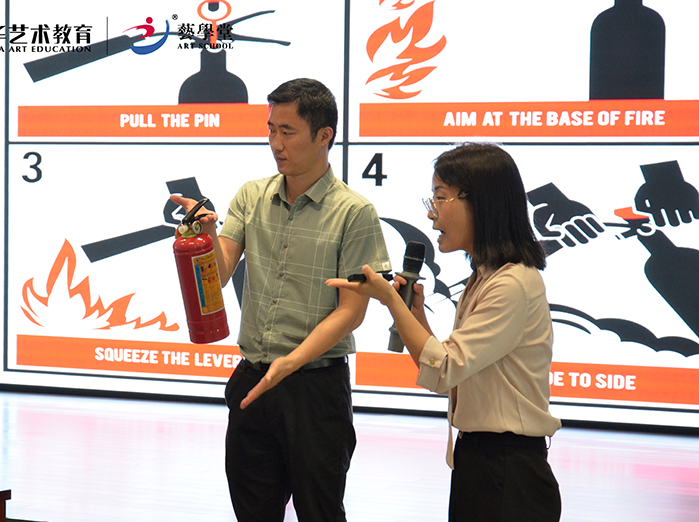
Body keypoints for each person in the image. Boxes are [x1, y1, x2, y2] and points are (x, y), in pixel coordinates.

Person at [170, 78, 391, 522]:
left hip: (314, 390)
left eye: (287, 132)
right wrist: (206, 236)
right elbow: (220, 274)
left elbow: (351, 313)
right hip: (253, 382)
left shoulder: (355, 212)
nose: (275, 143)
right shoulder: (251, 195)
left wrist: (290, 363)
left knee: (320, 512)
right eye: (271, 130)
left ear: (324, 135)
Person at [327, 143, 562, 521]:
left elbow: (445, 368)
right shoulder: (485, 277)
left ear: (480, 203)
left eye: (440, 197)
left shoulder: (512, 284)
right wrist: (414, 314)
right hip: (481, 462)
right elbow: (444, 369)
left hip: (509, 470)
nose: (432, 213)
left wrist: (392, 301)